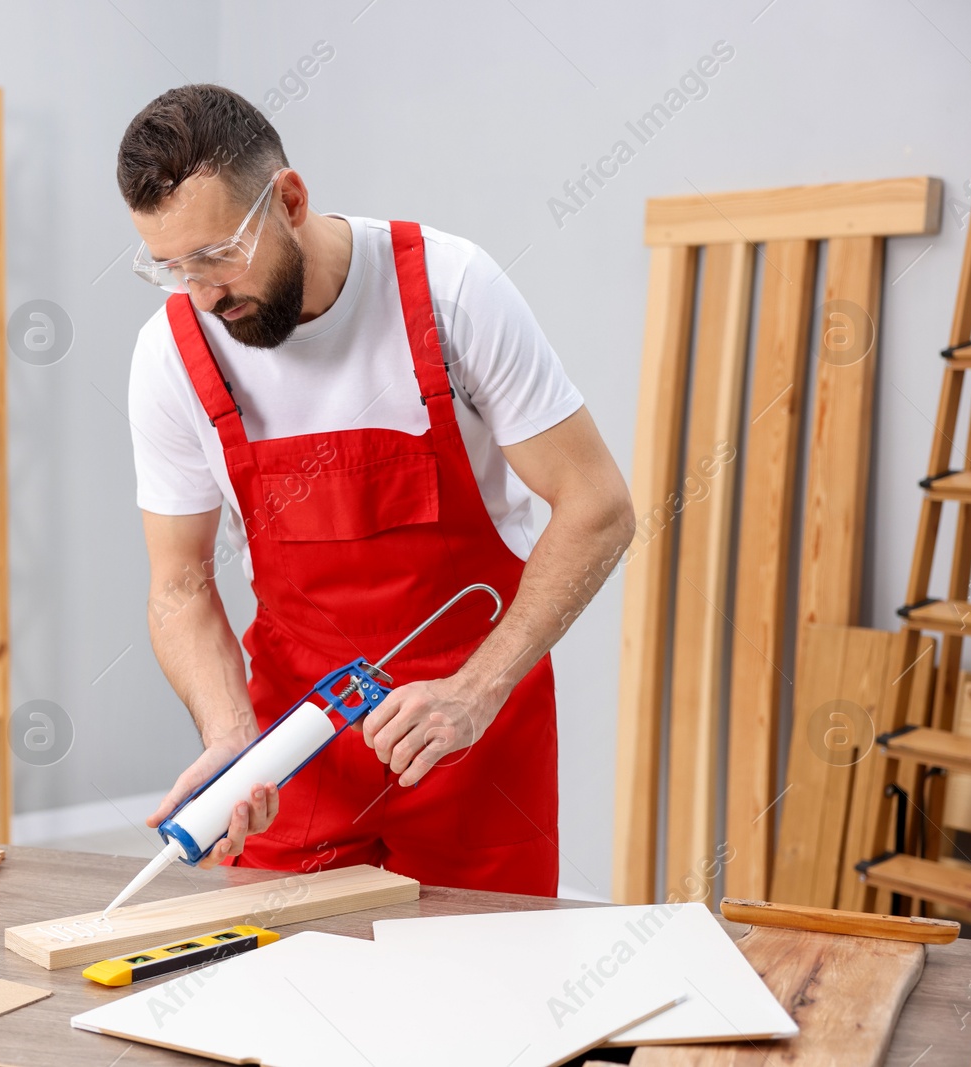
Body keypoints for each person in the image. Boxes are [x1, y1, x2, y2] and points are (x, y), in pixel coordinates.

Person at [118, 84, 634, 894]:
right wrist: (230, 737)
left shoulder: (450, 291)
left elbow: (599, 507)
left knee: (487, 1002)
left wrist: (477, 690)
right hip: (297, 759)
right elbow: (179, 581)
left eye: (217, 252)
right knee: (274, 999)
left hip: (473, 748)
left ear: (289, 198)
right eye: (172, 267)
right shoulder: (173, 354)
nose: (204, 292)